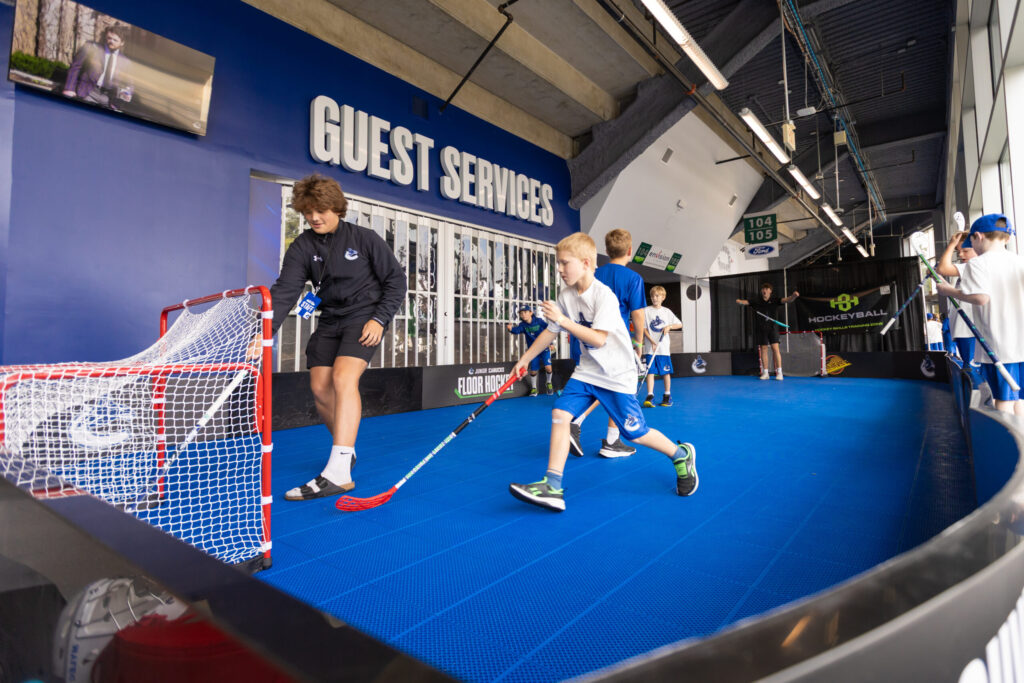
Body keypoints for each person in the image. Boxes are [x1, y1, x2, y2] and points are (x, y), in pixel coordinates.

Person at [506, 233, 697, 512]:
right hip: (587, 370)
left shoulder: (604, 295)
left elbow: (598, 339)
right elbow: (551, 331)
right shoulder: (566, 295)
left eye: (564, 263)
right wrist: (525, 358)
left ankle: (681, 455)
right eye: (558, 263)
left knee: (635, 433)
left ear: (586, 263)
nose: (560, 269)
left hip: (617, 373)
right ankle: (552, 485)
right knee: (560, 413)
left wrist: (562, 320)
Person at [263, 174, 406, 499]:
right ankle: (346, 450)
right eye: (308, 212)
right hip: (330, 319)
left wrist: (379, 319)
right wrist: (264, 332)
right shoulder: (302, 246)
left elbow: (396, 281)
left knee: (343, 379)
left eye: (321, 210)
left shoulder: (365, 239)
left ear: (337, 208)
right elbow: (285, 290)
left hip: (364, 318)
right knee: (320, 389)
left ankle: (339, 470)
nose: (314, 217)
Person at [568, 229, 647, 459]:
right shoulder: (633, 278)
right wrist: (638, 343)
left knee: (598, 384)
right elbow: (638, 315)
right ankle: (596, 431)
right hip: (613, 344)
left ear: (606, 250)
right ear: (630, 251)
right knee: (617, 387)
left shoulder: (593, 273)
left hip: (586, 340)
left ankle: (604, 435)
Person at [936, 214, 1024, 415]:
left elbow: (981, 298)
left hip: (999, 345)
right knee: (1019, 399)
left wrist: (949, 291)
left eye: (970, 244)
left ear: (978, 236)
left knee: (1003, 400)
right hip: (1021, 343)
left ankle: (1004, 436)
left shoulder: (978, 264)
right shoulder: (1019, 261)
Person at [937, 232, 983, 383]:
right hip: (964, 328)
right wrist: (940, 280)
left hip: (970, 329)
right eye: (958, 251)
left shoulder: (974, 266)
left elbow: (942, 268)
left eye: (965, 250)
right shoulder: (968, 269)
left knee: (973, 372)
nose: (961, 254)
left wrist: (951, 244)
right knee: (968, 370)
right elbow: (957, 292)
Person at [63, 24, 134, 111]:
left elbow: (129, 83)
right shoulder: (91, 47)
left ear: (122, 43)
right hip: (88, 93)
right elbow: (75, 67)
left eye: (115, 40)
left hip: (109, 100)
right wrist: (69, 88)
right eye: (109, 38)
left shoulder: (126, 62)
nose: (111, 41)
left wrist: (127, 93)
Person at [735, 283, 799, 380]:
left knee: (775, 349)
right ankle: (765, 373)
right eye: (763, 289)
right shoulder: (756, 301)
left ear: (770, 291)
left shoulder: (775, 300)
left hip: (773, 329)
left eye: (767, 289)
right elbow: (746, 302)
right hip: (761, 329)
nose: (764, 290)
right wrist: (739, 301)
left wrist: (793, 296)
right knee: (763, 349)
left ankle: (779, 373)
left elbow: (787, 300)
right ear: (762, 291)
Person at [641, 286, 683, 408]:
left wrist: (669, 326)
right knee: (650, 372)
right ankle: (650, 396)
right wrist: (652, 342)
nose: (654, 298)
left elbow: (679, 324)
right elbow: (643, 329)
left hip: (663, 348)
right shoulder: (646, 311)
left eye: (657, 296)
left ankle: (667, 395)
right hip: (650, 348)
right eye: (652, 296)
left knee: (665, 372)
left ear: (663, 297)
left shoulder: (667, 312)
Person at [507, 306, 553, 395]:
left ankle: (548, 382)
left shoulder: (539, 321)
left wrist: (550, 343)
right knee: (533, 371)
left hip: (544, 348)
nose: (523, 315)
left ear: (531, 313)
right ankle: (534, 389)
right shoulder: (523, 325)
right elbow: (517, 330)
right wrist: (510, 329)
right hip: (533, 352)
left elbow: (549, 330)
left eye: (525, 312)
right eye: (521, 313)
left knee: (548, 368)